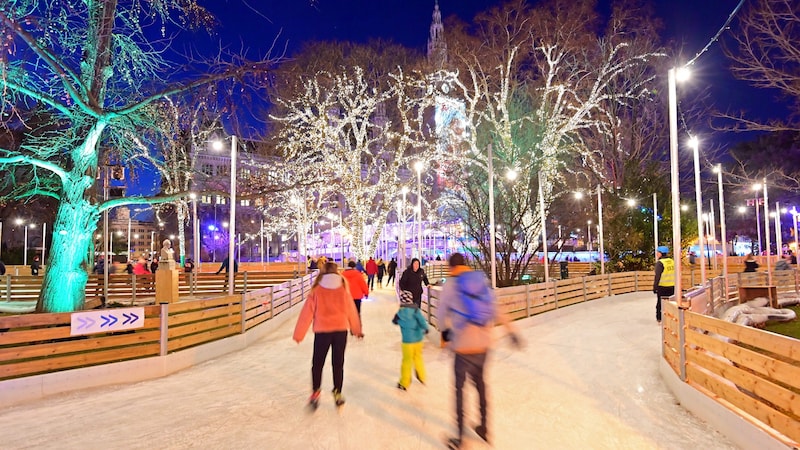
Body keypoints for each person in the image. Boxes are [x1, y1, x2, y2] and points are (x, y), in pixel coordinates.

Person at [438, 253, 521, 449]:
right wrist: (511, 331)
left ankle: (459, 438)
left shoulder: (450, 285)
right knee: (481, 385)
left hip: (463, 346)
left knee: (459, 390)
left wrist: (445, 336)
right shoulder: (480, 280)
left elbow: (442, 313)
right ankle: (484, 428)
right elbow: (495, 308)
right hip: (484, 344)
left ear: (451, 267)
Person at [293, 262, 363, 409]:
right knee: (338, 364)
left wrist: (299, 334)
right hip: (340, 331)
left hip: (322, 333)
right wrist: (356, 329)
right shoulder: (343, 289)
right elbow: (351, 310)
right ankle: (338, 392)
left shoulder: (317, 290)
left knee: (317, 364)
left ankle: (316, 391)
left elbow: (306, 313)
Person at [392, 290, 428, 391]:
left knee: (407, 361)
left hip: (407, 342)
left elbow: (394, 322)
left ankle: (404, 382)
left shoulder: (399, 314)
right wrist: (425, 328)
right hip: (418, 339)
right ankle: (422, 376)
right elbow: (422, 321)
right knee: (418, 357)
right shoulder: (416, 310)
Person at [653, 246, 675, 324]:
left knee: (660, 303)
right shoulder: (672, 261)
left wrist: (655, 287)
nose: (656, 254)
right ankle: (672, 317)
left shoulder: (660, 263)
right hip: (672, 286)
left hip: (662, 286)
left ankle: (659, 318)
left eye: (657, 252)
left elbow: (657, 276)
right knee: (671, 303)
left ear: (660, 253)